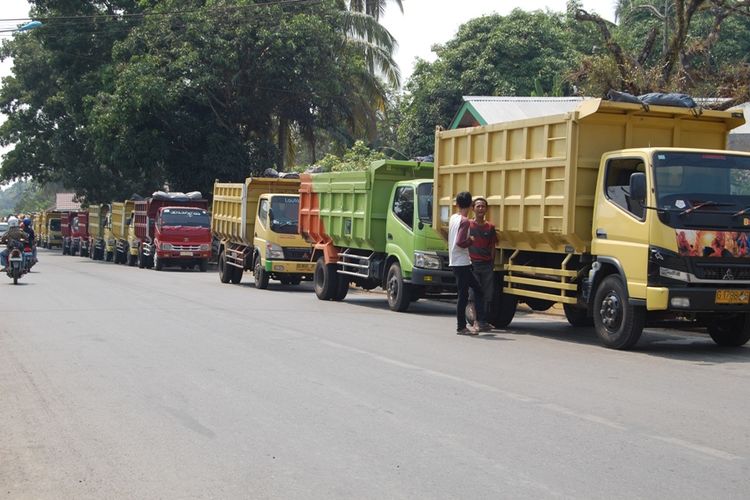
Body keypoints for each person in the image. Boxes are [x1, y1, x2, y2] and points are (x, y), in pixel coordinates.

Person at [449, 192, 491, 335]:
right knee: (463, 295)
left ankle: (480, 321)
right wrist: (471, 241)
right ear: (470, 205)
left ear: (457, 204)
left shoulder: (453, 218)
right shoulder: (465, 221)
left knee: (477, 290)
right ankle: (461, 327)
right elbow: (460, 242)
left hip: (456, 261)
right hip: (461, 263)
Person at [468, 197, 497, 323]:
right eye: (478, 206)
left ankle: (482, 320)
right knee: (473, 295)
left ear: (486, 209)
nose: (481, 209)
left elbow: (493, 246)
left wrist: (492, 263)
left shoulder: (490, 227)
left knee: (487, 294)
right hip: (473, 265)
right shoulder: (468, 225)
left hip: (487, 265)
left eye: (483, 206)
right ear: (473, 208)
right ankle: (474, 320)